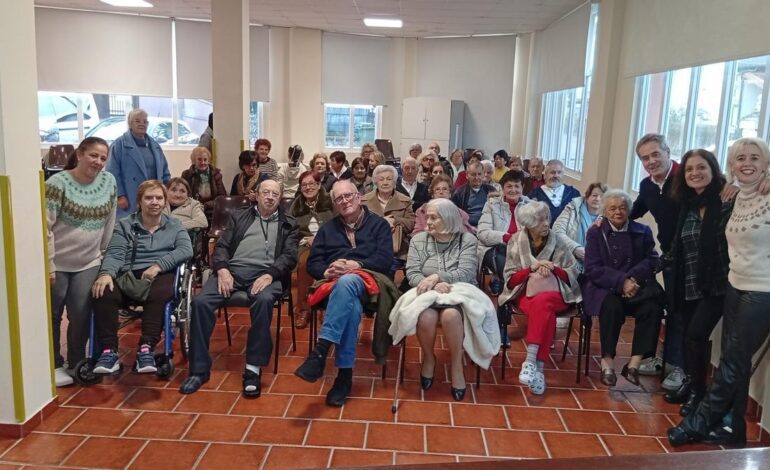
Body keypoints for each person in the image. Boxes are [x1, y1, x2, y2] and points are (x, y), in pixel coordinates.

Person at [668, 138, 770, 448]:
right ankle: (732, 429)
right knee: (732, 360)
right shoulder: (735, 197)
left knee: (732, 362)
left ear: (766, 164)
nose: (747, 163)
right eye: (740, 158)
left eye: (755, 157)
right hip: (735, 285)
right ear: (732, 166)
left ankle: (698, 422)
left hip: (763, 290)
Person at [179, 179, 299, 397]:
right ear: (257, 195)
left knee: (263, 301)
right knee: (200, 303)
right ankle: (198, 370)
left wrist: (270, 274)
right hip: (232, 272)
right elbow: (222, 246)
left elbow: (290, 257)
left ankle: (253, 369)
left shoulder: (289, 223)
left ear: (280, 198)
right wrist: (223, 269)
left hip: (267, 275)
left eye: (275, 193)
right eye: (266, 192)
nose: (270, 197)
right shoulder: (239, 216)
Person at [294, 180, 395, 407]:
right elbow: (313, 263)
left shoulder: (378, 225)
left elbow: (386, 260)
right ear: (334, 204)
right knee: (351, 306)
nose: (345, 201)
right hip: (334, 285)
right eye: (339, 198)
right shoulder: (328, 229)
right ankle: (344, 376)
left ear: (359, 197)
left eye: (348, 196)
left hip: (372, 284)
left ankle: (321, 349)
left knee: (349, 280)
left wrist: (356, 266)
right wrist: (326, 270)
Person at [390, 199, 496, 401]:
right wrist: (430, 283)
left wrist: (438, 277)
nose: (427, 221)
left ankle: (457, 364)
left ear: (448, 218)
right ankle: (429, 358)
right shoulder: (419, 239)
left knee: (450, 316)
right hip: (427, 292)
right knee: (426, 318)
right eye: (427, 216)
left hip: (459, 292)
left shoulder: (467, 240)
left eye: (433, 217)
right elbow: (412, 273)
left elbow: (465, 272)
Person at [91, 180, 193, 375]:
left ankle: (146, 348)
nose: (154, 202)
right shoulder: (125, 225)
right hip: (129, 273)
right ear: (139, 201)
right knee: (103, 290)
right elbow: (115, 254)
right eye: (148, 198)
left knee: (162, 292)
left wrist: (159, 265)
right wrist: (106, 274)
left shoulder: (174, 225)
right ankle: (109, 351)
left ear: (165, 202)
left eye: (159, 198)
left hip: (160, 274)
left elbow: (185, 249)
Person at [661, 150, 732, 417]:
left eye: (701, 167)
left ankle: (699, 393)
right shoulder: (687, 204)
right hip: (688, 282)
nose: (695, 173)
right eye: (689, 169)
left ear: (713, 170)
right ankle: (692, 384)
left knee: (695, 335)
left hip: (717, 284)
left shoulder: (727, 200)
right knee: (691, 337)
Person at [46, 137, 117, 386]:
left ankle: (76, 362)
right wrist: (49, 264)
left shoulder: (109, 182)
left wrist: (104, 254)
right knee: (52, 315)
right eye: (93, 155)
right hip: (57, 263)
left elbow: (110, 220)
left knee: (80, 314)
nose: (98, 162)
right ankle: (52, 363)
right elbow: (45, 227)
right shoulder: (57, 184)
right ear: (79, 154)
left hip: (88, 261)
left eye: (102, 158)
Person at [498, 201, 581, 395]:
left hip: (557, 292)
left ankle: (530, 359)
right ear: (528, 223)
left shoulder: (558, 241)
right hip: (525, 292)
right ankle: (540, 369)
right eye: (539, 220)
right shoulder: (516, 240)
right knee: (545, 309)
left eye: (547, 218)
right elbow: (510, 280)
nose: (546, 223)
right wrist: (532, 268)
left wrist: (554, 268)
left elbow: (573, 272)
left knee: (543, 302)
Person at [582, 189, 663, 388]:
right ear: (605, 211)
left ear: (629, 210)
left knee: (652, 308)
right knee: (611, 307)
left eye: (622, 208)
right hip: (607, 287)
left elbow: (652, 259)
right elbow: (592, 268)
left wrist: (632, 279)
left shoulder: (642, 231)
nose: (618, 212)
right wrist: (621, 282)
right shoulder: (596, 232)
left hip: (637, 287)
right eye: (612, 208)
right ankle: (607, 361)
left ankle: (634, 363)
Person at [106, 108, 171, 218]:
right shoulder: (119, 145)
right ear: (130, 123)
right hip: (129, 197)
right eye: (137, 121)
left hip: (153, 197)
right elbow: (112, 172)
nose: (142, 124)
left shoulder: (155, 146)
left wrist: (166, 192)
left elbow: (165, 172)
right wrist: (120, 195)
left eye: (145, 121)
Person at [290, 171, 335, 329]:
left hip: (330, 243)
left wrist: (320, 239)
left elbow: (339, 225)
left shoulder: (330, 201)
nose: (308, 187)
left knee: (334, 264)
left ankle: (328, 306)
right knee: (304, 264)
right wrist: (305, 240)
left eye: (311, 184)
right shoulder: (296, 205)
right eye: (304, 185)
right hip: (306, 245)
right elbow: (290, 230)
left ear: (318, 184)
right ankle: (303, 309)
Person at [477, 170, 530, 295]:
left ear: (522, 187)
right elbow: (482, 233)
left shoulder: (531, 206)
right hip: (495, 248)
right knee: (507, 269)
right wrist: (507, 237)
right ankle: (509, 298)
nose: (513, 190)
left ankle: (507, 289)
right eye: (509, 186)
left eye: (517, 186)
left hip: (522, 249)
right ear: (502, 188)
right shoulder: (491, 205)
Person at [362, 165, 416, 269]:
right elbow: (358, 223)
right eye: (381, 179)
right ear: (376, 182)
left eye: (389, 179)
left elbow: (411, 223)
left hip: (397, 251)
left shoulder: (405, 200)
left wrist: (394, 220)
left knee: (388, 269)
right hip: (369, 248)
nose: (385, 182)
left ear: (394, 182)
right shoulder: (364, 201)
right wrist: (381, 222)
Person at [552, 182, 607, 266]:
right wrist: (575, 248)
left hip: (595, 264)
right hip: (569, 258)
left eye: (602, 196)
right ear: (587, 196)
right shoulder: (572, 209)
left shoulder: (609, 217)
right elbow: (557, 231)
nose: (598, 199)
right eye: (594, 195)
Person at [527, 159, 580, 225]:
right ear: (545, 175)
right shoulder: (534, 195)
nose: (556, 175)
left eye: (559, 172)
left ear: (563, 175)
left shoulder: (573, 194)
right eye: (552, 172)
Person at [180, 146, 227, 215]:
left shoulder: (216, 174)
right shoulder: (186, 174)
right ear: (193, 161)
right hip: (192, 208)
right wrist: (195, 205)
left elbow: (222, 196)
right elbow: (183, 194)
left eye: (205, 160)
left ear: (208, 161)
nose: (203, 163)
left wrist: (207, 205)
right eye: (199, 159)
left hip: (212, 208)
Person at [451, 162, 496, 227]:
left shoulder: (491, 190)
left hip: (489, 226)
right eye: (473, 174)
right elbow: (455, 215)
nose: (476, 177)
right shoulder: (459, 193)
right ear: (467, 175)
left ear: (483, 175)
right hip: (468, 227)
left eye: (479, 174)